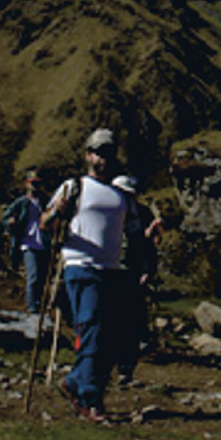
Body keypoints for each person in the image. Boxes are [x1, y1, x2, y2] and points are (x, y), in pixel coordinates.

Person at [43, 127, 142, 423]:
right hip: (81, 266)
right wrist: (57, 212)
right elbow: (45, 223)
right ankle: (90, 399)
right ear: (88, 155)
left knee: (107, 337)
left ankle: (75, 382)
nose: (103, 158)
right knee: (93, 330)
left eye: (108, 153)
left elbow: (134, 230)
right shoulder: (73, 187)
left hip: (112, 271)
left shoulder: (121, 196)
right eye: (98, 153)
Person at [109, 173, 165, 386]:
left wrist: (148, 270)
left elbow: (150, 246)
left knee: (130, 320)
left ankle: (125, 367)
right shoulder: (106, 212)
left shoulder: (142, 213)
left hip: (132, 272)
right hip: (108, 269)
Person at [3, 171, 50, 316]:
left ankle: (40, 304)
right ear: (27, 184)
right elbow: (6, 217)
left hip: (44, 244)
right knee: (33, 276)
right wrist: (10, 223)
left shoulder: (45, 201)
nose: (35, 186)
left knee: (43, 278)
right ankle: (32, 307)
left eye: (38, 183)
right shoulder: (21, 202)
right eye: (33, 183)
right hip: (28, 243)